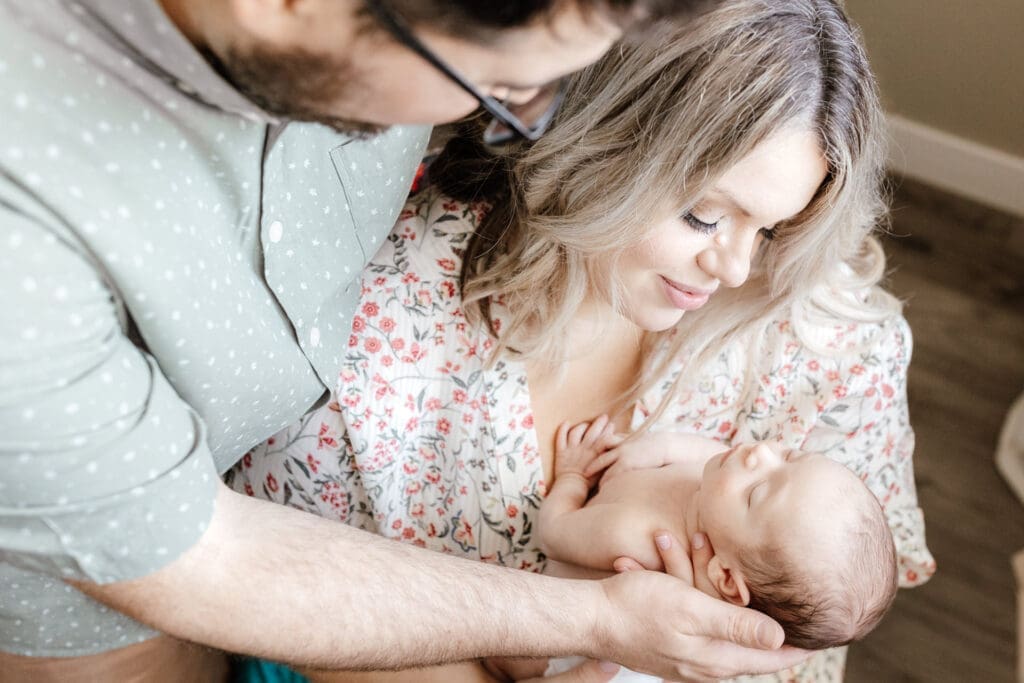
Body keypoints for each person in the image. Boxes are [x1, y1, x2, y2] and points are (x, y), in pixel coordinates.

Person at [0, 0, 809, 681]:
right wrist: (595, 617)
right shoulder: (21, 233)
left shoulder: (392, 40)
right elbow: (206, 560)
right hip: (81, 604)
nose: (511, 121)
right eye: (494, 90)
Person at [229, 0, 935, 680]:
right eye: (703, 215)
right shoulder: (373, 335)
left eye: (772, 228)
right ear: (603, 148)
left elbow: (813, 623)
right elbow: (267, 588)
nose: (737, 268)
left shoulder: (840, 345)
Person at [531, 421, 898, 682]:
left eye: (756, 492)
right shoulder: (722, 491)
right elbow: (710, 453)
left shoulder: (637, 538)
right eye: (791, 455)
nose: (761, 452)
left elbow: (552, 533)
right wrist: (660, 445)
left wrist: (573, 478)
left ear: (724, 576)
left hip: (551, 662)